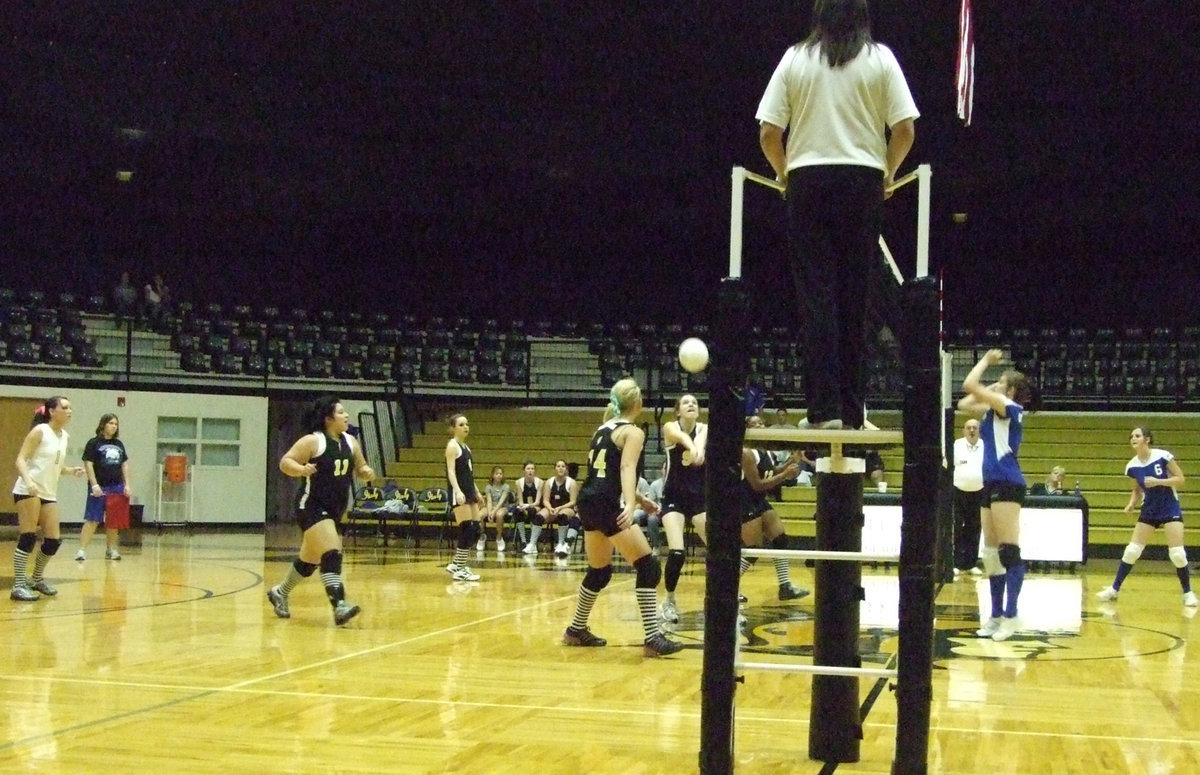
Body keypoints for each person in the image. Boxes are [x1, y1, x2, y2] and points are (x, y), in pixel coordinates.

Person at [756, 0, 919, 430]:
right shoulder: (882, 59)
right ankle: (852, 410)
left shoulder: (794, 59)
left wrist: (783, 172)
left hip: (807, 179)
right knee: (856, 298)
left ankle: (824, 412)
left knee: (817, 298)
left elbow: (769, 132)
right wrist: (888, 171)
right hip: (863, 180)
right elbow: (905, 129)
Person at [562, 378, 683, 657]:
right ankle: (653, 638)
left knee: (600, 571)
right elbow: (627, 467)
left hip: (588, 500)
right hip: (605, 502)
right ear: (638, 404)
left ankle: (575, 629)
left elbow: (605, 472)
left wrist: (641, 500)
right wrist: (630, 503)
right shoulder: (633, 431)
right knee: (649, 566)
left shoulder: (602, 428)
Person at [266, 396, 374, 625]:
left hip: (335, 509)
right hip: (311, 505)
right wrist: (301, 469)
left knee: (309, 561)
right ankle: (340, 605)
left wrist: (365, 472)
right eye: (341, 412)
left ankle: (280, 592)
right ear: (328, 419)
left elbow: (361, 465)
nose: (346, 416)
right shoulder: (312, 441)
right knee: (332, 552)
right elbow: (286, 462)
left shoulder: (351, 442)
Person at [958, 349, 1033, 642]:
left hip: (1007, 481)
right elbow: (965, 403)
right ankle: (995, 615)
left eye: (1001, 382)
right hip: (990, 483)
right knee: (990, 554)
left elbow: (967, 386)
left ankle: (1011, 616)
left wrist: (986, 363)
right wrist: (988, 390)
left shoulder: (1007, 405)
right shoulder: (994, 409)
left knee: (1008, 551)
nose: (997, 386)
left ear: (1011, 390)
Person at [1096, 427, 1197, 606]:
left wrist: (1159, 481)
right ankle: (1114, 589)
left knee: (1177, 554)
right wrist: (1131, 504)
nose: (1133, 439)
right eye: (1131, 437)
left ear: (1147, 439)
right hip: (1149, 509)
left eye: (1137, 436)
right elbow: (1136, 489)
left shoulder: (1162, 456)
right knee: (1132, 551)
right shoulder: (1132, 466)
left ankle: (1188, 593)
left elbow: (1181, 479)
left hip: (1169, 506)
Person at [10, 396, 86, 601]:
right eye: (65, 407)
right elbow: (20, 459)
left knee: (53, 540)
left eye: (70, 408)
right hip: (28, 490)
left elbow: (54, 465)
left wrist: (70, 471)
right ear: (52, 411)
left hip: (48, 493)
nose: (69, 411)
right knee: (28, 536)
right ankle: (18, 585)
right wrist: (29, 481)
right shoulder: (39, 431)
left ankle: (35, 579)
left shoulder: (64, 436)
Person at [658, 394, 707, 623]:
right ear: (678, 411)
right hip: (673, 497)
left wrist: (698, 450)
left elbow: (699, 447)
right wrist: (692, 447)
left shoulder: (704, 428)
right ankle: (668, 601)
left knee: (720, 551)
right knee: (677, 552)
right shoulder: (670, 427)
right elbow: (683, 440)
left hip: (698, 498)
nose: (691, 405)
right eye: (686, 402)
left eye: (695, 403)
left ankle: (727, 599)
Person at [75, 413, 131, 562]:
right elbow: (88, 463)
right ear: (103, 424)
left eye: (116, 424)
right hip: (99, 487)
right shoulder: (94, 443)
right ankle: (81, 550)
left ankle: (111, 549)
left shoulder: (119, 445)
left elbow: (124, 464)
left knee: (113, 520)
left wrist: (127, 485)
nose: (114, 426)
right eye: (111, 423)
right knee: (93, 519)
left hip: (116, 486)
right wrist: (94, 484)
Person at [443, 413, 485, 581]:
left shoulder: (466, 448)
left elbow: (469, 474)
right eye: (461, 424)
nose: (465, 427)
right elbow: (451, 471)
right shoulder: (452, 446)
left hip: (469, 491)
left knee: (475, 530)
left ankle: (456, 564)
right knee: (467, 528)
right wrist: (458, 491)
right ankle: (459, 568)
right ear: (453, 428)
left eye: (466, 424)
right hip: (459, 492)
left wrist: (476, 491)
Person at [951, 418, 985, 578]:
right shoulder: (956, 445)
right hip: (958, 492)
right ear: (964, 430)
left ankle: (971, 563)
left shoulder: (985, 446)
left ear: (979, 430)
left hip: (979, 492)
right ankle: (955, 563)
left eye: (975, 428)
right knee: (957, 527)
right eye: (968, 428)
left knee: (975, 527)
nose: (972, 430)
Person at [539, 459, 581, 558]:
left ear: (566, 469)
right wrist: (550, 508)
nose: (560, 468)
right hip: (552, 509)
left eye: (563, 466)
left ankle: (563, 544)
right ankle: (531, 544)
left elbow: (573, 502)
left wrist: (560, 508)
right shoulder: (549, 481)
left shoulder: (571, 483)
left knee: (568, 517)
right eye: (558, 466)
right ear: (554, 468)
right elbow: (545, 500)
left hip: (567, 509)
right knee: (538, 517)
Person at [511, 461, 545, 555]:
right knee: (517, 512)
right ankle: (523, 540)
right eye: (528, 469)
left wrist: (528, 506)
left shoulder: (540, 482)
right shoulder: (518, 482)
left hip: (536, 506)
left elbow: (538, 502)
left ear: (535, 471)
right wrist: (523, 506)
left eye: (532, 469)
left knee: (532, 511)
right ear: (524, 471)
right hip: (524, 505)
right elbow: (521, 501)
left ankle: (532, 542)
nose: (530, 471)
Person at [480, 465, 510, 553]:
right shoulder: (488, 487)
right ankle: (482, 536)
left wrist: (494, 511)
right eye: (497, 473)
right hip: (490, 506)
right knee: (480, 515)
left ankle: (499, 537)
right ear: (493, 475)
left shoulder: (506, 487)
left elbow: (501, 502)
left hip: (502, 507)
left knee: (499, 515)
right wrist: (489, 512)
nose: (499, 475)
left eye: (501, 474)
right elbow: (489, 500)